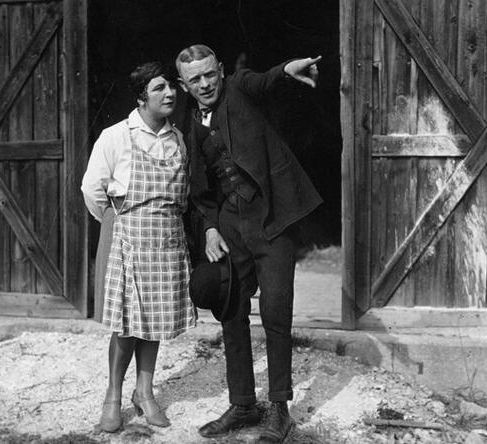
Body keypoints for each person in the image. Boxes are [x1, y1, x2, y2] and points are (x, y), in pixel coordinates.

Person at [176, 45, 323, 443]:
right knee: (230, 307)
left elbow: (263, 80)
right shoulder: (188, 122)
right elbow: (196, 187)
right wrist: (209, 228)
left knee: (276, 309)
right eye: (195, 79)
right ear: (184, 85)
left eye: (210, 74)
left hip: (272, 217)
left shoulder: (238, 87)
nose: (205, 84)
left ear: (220, 70)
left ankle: (279, 408)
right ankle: (243, 404)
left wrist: (286, 69)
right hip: (230, 226)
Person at [81, 61, 195, 433]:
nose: (170, 93)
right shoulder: (116, 136)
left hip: (167, 243)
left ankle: (144, 393)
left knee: (156, 321)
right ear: (141, 96)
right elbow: (92, 191)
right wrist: (116, 226)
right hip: (129, 242)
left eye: (170, 87)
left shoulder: (177, 139)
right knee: (127, 326)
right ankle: (113, 396)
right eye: (160, 88)